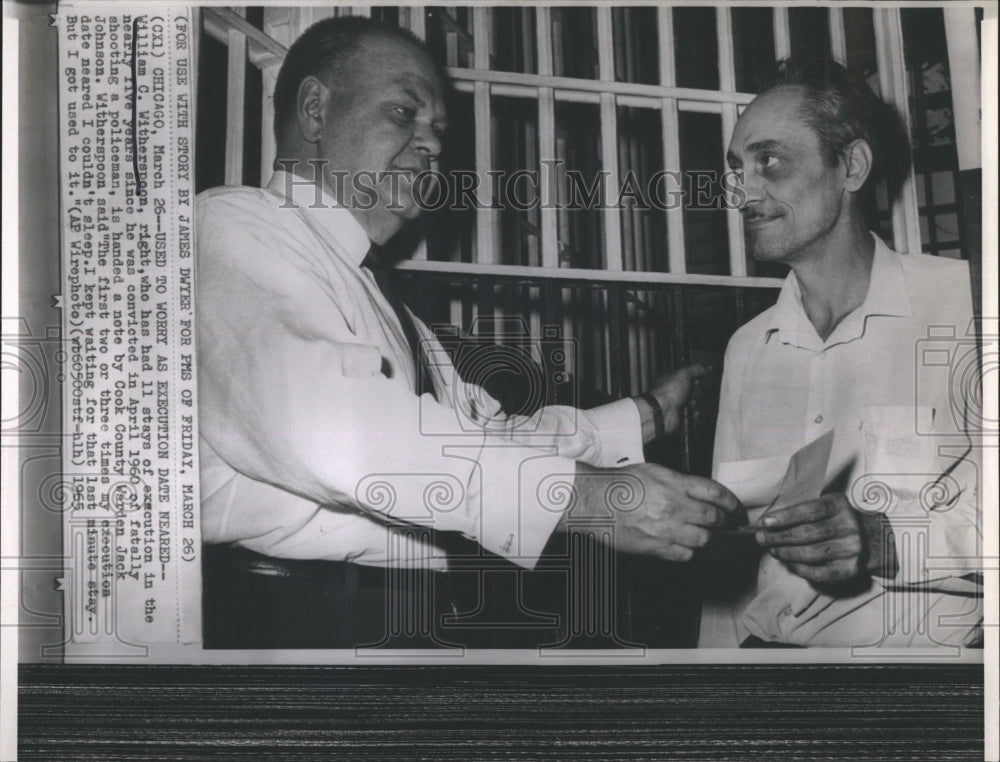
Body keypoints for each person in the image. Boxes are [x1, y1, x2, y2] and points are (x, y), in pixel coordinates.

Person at [196, 16, 740, 648]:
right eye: (404, 112)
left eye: (438, 129)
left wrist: (645, 416)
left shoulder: (379, 298)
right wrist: (589, 502)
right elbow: (335, 432)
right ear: (315, 110)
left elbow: (490, 437)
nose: (430, 143)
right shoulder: (230, 228)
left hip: (392, 621)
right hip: (294, 623)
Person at [700, 57, 982, 648]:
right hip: (772, 690)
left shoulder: (968, 305)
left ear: (850, 166)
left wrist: (888, 539)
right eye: (736, 167)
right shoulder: (747, 350)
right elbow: (728, 576)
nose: (742, 191)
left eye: (768, 161)